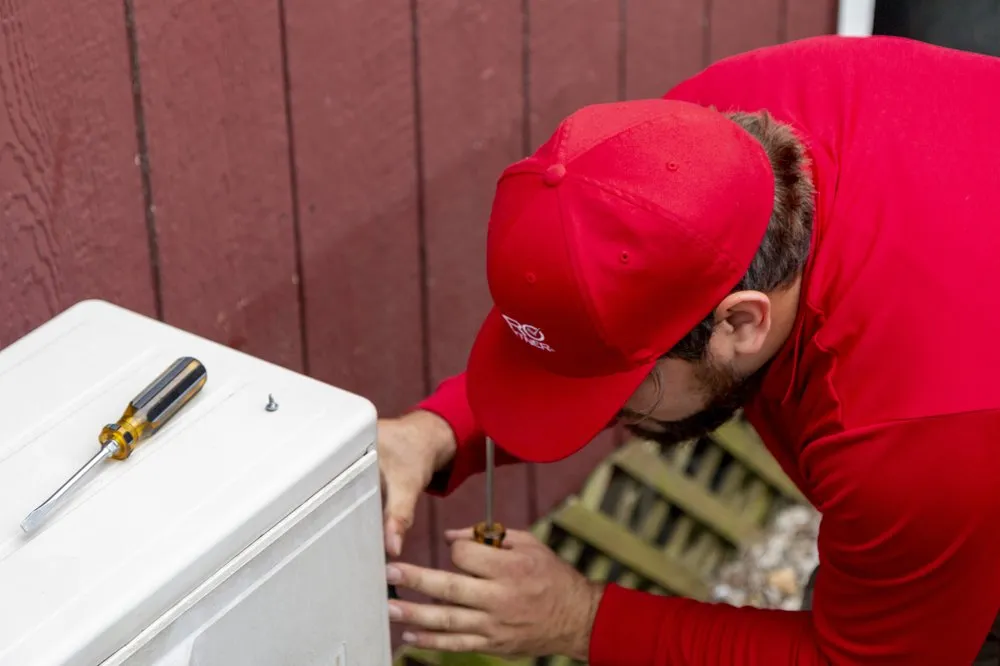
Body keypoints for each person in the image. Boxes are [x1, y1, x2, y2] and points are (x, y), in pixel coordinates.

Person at [378, 34, 1000, 665]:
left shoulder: (911, 432)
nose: (606, 415)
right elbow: (592, 324)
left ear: (739, 323)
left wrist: (578, 618)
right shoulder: (675, 149)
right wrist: (435, 430)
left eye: (623, 394)